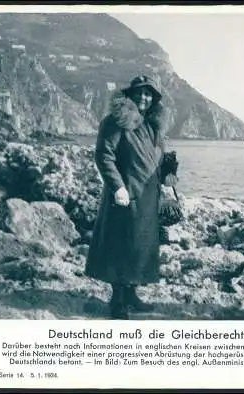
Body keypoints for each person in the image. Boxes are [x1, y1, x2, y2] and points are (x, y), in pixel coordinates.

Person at [85, 74, 177, 319]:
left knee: (140, 247)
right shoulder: (116, 122)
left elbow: (157, 158)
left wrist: (168, 174)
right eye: (140, 92)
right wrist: (117, 187)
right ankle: (118, 301)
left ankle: (132, 295)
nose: (144, 97)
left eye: (149, 94)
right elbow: (104, 156)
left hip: (149, 197)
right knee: (121, 245)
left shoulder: (153, 125)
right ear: (131, 94)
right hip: (125, 196)